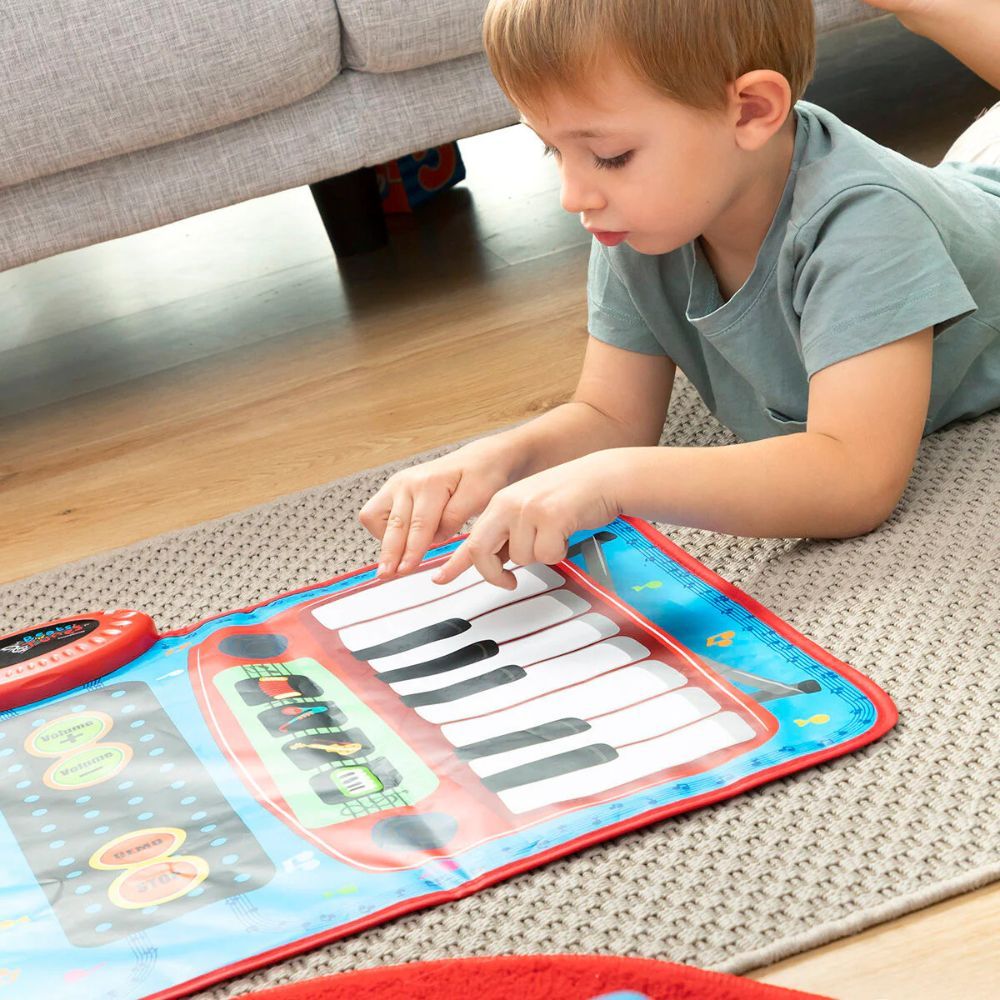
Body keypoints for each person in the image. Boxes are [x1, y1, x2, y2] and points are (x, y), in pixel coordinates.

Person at [359, 0, 1000, 590]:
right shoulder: (640, 223)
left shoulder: (865, 225)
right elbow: (611, 417)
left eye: (608, 155)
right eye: (553, 149)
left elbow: (855, 480)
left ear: (750, 111)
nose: (572, 194)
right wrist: (497, 459)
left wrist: (614, 481)